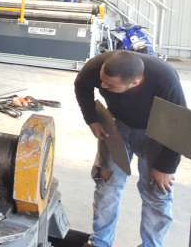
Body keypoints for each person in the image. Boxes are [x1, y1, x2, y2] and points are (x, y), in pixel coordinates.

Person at [74, 50, 187, 247]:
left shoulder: (165, 79)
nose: (103, 86)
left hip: (157, 131)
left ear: (135, 82)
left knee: (156, 192)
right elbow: (81, 85)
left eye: (110, 85)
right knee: (107, 183)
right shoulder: (97, 66)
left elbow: (178, 124)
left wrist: (165, 167)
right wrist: (91, 119)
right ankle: (100, 242)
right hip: (117, 126)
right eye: (102, 81)